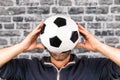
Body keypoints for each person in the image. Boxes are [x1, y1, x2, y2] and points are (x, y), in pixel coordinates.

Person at [0, 22, 120, 80]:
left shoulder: (94, 68)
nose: (59, 50)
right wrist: (22, 46)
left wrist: (98, 46)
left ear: (73, 41)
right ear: (46, 41)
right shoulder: (27, 68)